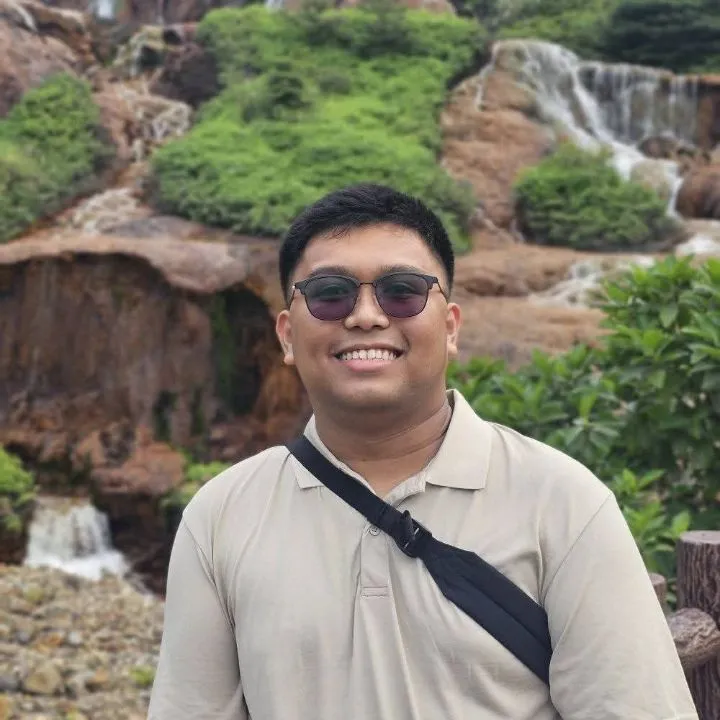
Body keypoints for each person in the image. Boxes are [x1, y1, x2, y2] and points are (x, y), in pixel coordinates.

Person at [148, 184, 698, 720]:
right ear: (288, 336)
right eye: (331, 293)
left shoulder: (562, 503)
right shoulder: (221, 517)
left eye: (402, 291)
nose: (366, 316)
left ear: (451, 327)